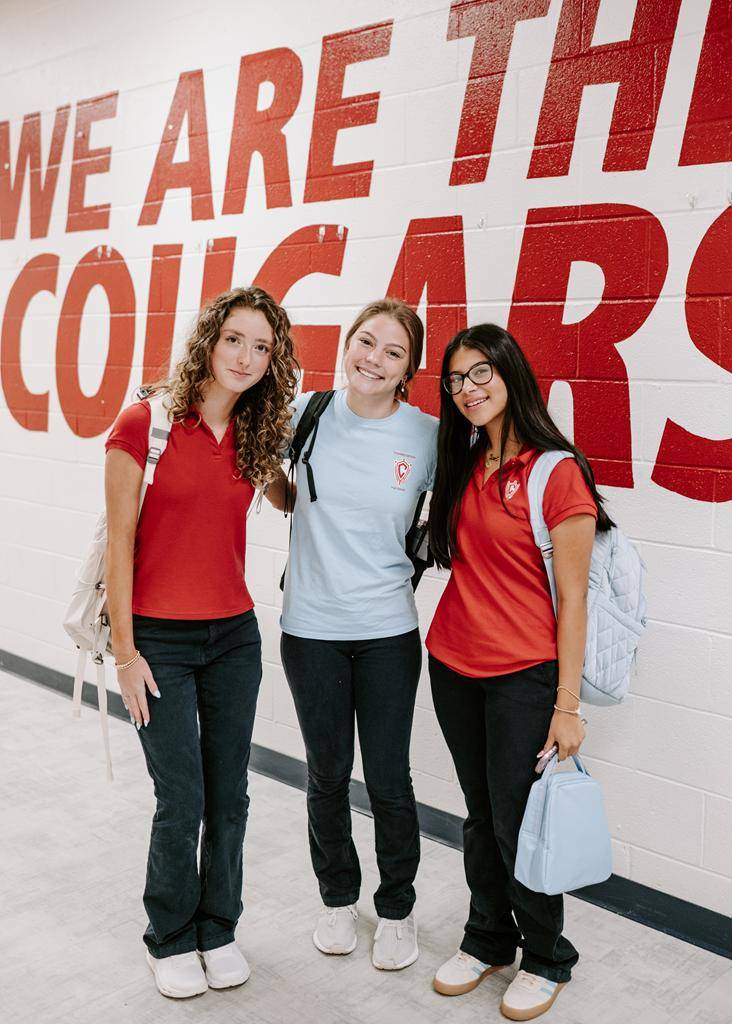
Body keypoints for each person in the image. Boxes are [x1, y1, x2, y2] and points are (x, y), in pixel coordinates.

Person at [104, 287, 298, 999]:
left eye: (262, 346)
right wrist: (126, 655)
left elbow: (290, 498)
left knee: (231, 795)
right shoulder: (144, 424)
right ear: (208, 343)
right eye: (234, 340)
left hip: (234, 638)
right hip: (160, 641)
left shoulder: (254, 436)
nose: (246, 357)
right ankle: (169, 935)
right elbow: (121, 543)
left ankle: (219, 928)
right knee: (180, 796)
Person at [426, 324, 611, 1021]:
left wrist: (567, 705)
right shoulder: (467, 459)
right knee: (480, 816)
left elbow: (572, 602)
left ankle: (547, 955)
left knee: (517, 821)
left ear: (510, 376)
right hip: (452, 664)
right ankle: (487, 938)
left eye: (481, 375)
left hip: (522, 676)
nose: (468, 390)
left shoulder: (556, 471)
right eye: (456, 380)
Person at [274, 298, 438, 971]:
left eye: (392, 351)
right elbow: (286, 487)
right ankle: (339, 899)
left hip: (387, 631)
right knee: (327, 775)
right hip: (309, 628)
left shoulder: (427, 435)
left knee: (391, 779)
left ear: (409, 370)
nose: (372, 358)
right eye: (365, 342)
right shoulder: (306, 413)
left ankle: (396, 909)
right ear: (347, 344)